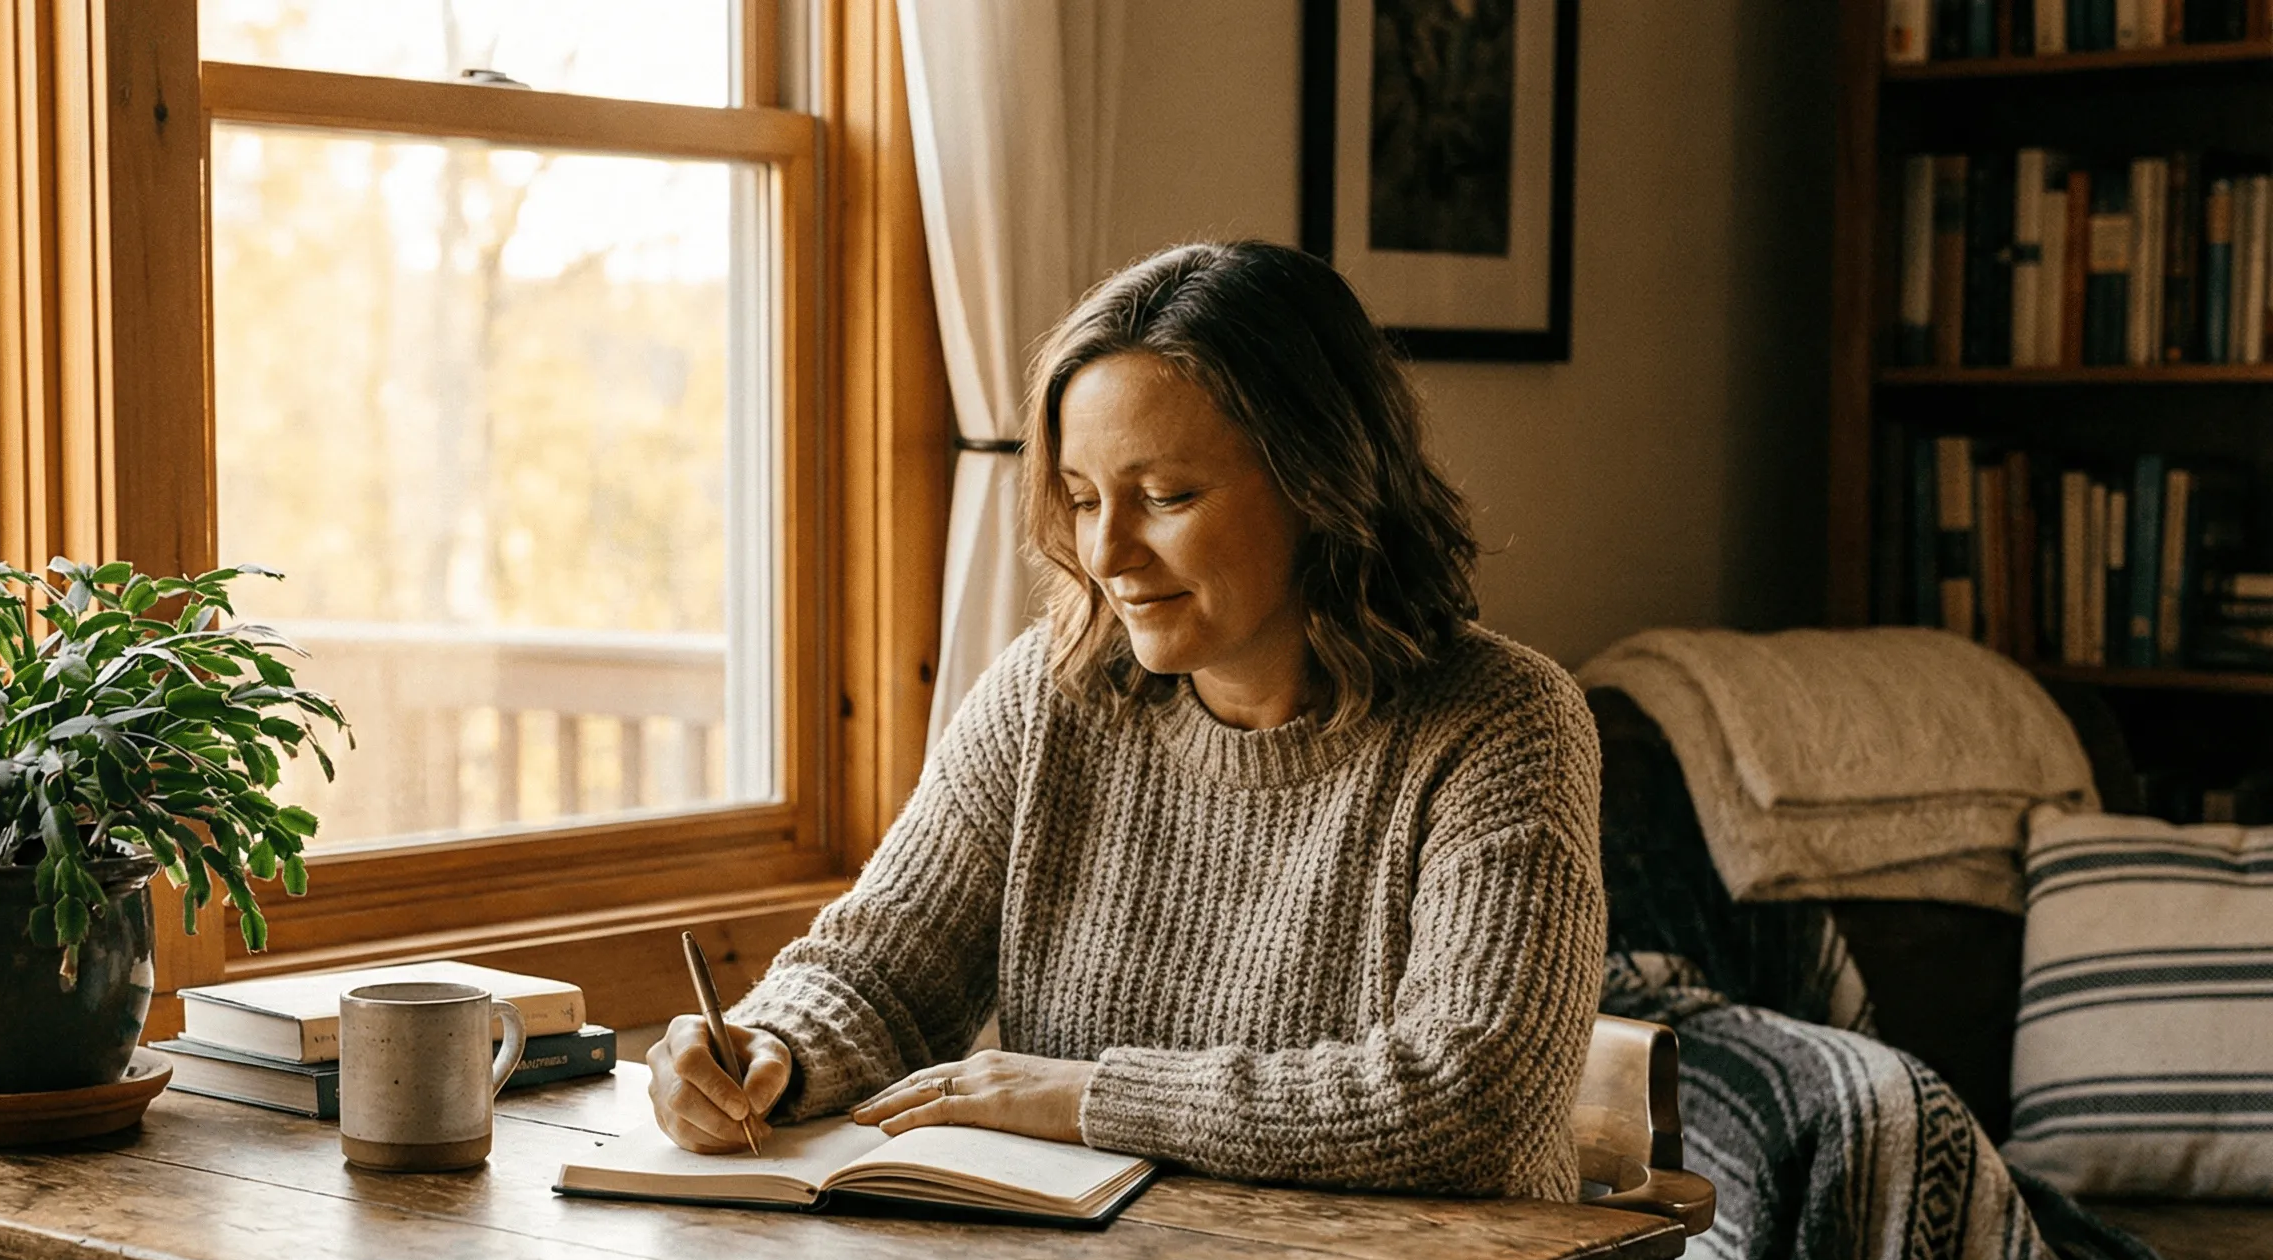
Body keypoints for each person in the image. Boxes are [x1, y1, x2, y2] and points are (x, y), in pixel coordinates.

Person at [646, 240, 1606, 1199]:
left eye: (1166, 497)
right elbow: (881, 973)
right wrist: (770, 1044)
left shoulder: (1505, 724)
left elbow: (1471, 1100)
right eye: (1081, 498)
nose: (1106, 551)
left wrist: (1087, 1096)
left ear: (1326, 484)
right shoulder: (1050, 694)